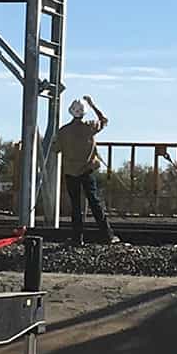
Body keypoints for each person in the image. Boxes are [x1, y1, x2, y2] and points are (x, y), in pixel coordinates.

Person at [56, 95, 114, 244]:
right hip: (87, 171)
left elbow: (55, 149)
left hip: (70, 172)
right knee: (95, 203)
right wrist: (92, 104)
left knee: (75, 206)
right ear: (83, 113)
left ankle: (77, 238)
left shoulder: (63, 131)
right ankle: (107, 235)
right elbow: (104, 120)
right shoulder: (89, 127)